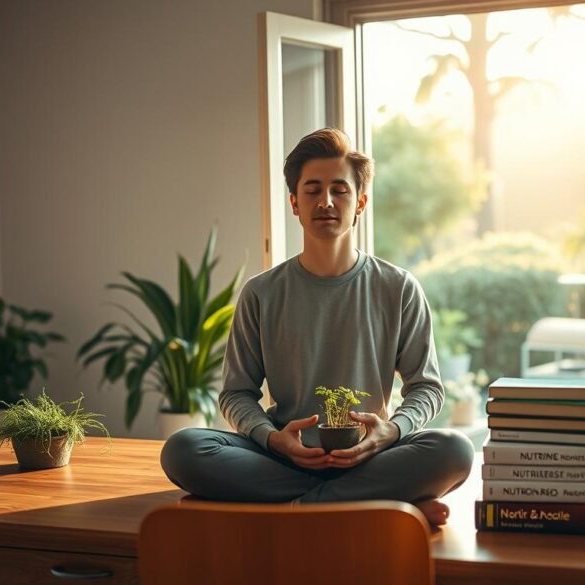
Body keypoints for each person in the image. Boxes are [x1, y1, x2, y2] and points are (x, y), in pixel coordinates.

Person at [161, 128, 474, 525]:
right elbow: (236, 394)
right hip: (282, 460)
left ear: (360, 201)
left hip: (369, 457)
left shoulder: (398, 288)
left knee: (454, 450)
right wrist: (273, 438)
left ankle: (298, 512)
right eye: (312, 190)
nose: (325, 201)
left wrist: (390, 433)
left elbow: (426, 389)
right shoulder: (261, 293)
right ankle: (374, 506)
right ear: (294, 202)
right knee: (184, 448)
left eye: (339, 190)